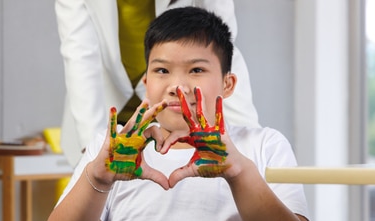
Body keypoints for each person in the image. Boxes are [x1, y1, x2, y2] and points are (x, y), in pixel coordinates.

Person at [43, 7, 311, 221]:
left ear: (228, 84)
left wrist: (240, 173)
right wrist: (97, 178)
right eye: (162, 71)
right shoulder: (115, 147)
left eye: (196, 70)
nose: (177, 86)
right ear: (145, 82)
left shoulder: (264, 143)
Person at [55, 0, 261, 167]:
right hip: (105, 110)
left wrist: (247, 144)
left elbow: (225, 49)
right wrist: (94, 150)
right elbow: (79, 55)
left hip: (184, 115)